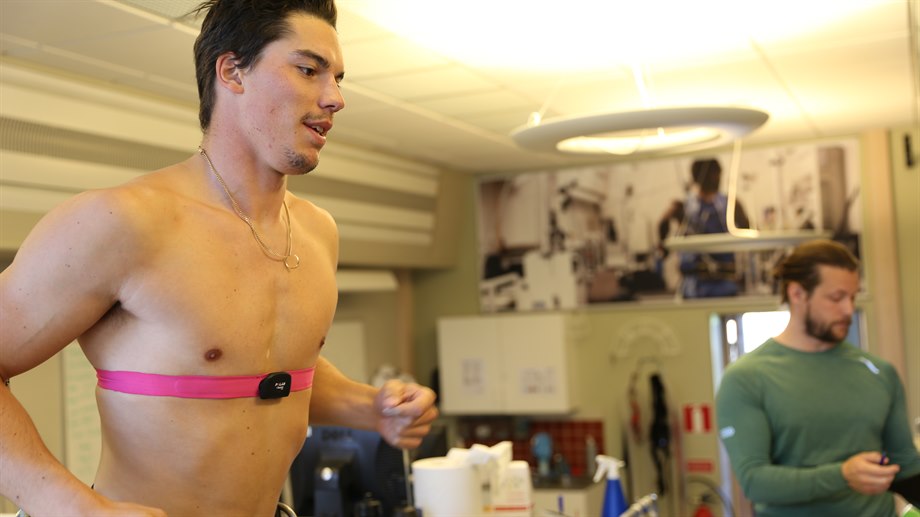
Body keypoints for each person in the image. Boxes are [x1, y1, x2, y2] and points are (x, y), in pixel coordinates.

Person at [0, 1, 438, 516]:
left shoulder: (319, 232)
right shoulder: (121, 221)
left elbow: (266, 368)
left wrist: (371, 408)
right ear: (232, 72)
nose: (335, 98)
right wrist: (71, 507)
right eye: (308, 70)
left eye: (337, 79)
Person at [716, 239, 920, 516]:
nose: (848, 309)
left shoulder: (879, 372)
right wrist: (843, 475)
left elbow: (906, 469)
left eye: (853, 297)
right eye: (836, 298)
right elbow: (755, 482)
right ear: (797, 293)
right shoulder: (747, 378)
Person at [658, 158, 750, 298]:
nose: (716, 179)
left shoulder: (731, 204)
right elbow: (663, 222)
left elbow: (748, 230)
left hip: (725, 281)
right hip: (694, 284)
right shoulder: (684, 207)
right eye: (713, 175)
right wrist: (664, 248)